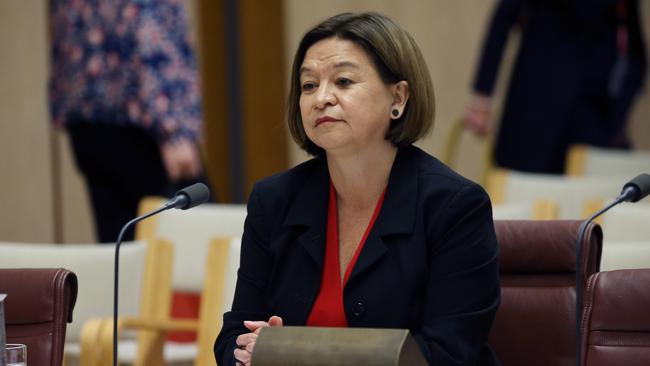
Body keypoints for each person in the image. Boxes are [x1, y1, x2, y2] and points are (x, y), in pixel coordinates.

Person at [214, 12, 501, 365]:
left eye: (344, 81)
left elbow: (448, 353)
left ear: (398, 98)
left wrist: (294, 353)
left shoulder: (454, 207)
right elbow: (233, 336)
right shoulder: (274, 201)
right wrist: (249, 353)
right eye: (308, 85)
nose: (321, 98)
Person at [49, 0, 210, 242]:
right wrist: (174, 131)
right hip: (142, 126)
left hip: (86, 121)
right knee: (195, 243)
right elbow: (151, 34)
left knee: (120, 246)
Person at [463, 0, 647, 174]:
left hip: (593, 111)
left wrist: (619, 113)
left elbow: (633, 45)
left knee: (584, 193)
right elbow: (504, 17)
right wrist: (482, 98)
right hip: (534, 101)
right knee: (522, 184)